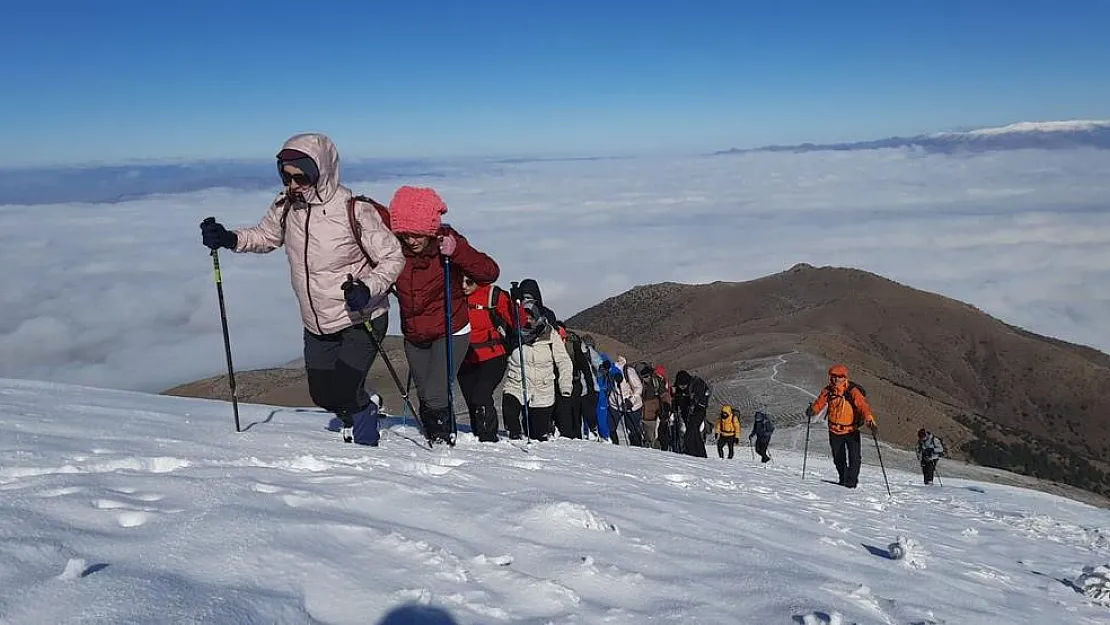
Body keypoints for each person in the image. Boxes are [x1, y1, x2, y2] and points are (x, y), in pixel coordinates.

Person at [198, 133, 404, 446]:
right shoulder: (286, 208)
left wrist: (368, 287)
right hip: (316, 319)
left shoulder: (354, 210)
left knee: (346, 390)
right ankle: (362, 401)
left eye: (301, 177)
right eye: (286, 176)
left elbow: (393, 256)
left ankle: (366, 439)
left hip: (360, 317)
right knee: (322, 395)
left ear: (322, 172)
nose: (293, 184)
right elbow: (265, 237)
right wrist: (229, 238)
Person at [388, 185, 499, 444]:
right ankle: (437, 430)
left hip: (451, 328)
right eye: (405, 234)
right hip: (415, 333)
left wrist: (458, 251)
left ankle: (440, 442)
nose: (411, 240)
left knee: (436, 392)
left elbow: (489, 272)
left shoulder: (448, 245)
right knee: (425, 392)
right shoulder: (392, 250)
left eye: (417, 234)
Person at [459, 275, 519, 443]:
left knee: (481, 394)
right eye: (460, 281)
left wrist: (515, 304)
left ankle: (489, 438)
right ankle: (478, 436)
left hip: (493, 355)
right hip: (465, 358)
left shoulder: (493, 295)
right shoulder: (451, 295)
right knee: (472, 401)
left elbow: (517, 322)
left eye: (469, 282)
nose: (463, 286)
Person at [502, 300, 574, 440]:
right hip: (517, 384)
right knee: (510, 415)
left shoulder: (550, 334)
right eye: (525, 316)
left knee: (537, 434)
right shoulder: (513, 332)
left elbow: (563, 361)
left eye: (531, 317)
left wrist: (565, 386)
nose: (528, 320)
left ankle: (542, 439)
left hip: (543, 389)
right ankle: (513, 444)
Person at [805, 364, 877, 488]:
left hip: (851, 430)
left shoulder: (853, 391)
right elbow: (819, 403)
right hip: (834, 431)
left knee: (855, 459)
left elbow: (863, 406)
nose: (836, 379)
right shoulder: (827, 391)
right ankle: (843, 480)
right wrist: (813, 410)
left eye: (839, 376)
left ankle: (851, 483)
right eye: (833, 376)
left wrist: (870, 421)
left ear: (845, 377)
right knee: (838, 458)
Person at [604, 357, 645, 447]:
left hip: (632, 406)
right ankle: (613, 447)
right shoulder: (608, 372)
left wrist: (631, 401)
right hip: (615, 404)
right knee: (610, 427)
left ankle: (637, 448)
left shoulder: (628, 372)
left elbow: (638, 388)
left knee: (632, 429)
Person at [672, 370, 710, 457]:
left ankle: (693, 454)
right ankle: (699, 454)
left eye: (684, 385)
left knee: (691, 433)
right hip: (686, 411)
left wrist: (694, 401)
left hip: (698, 411)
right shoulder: (678, 388)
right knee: (694, 433)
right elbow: (677, 399)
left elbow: (701, 401)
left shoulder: (697, 385)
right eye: (680, 385)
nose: (682, 387)